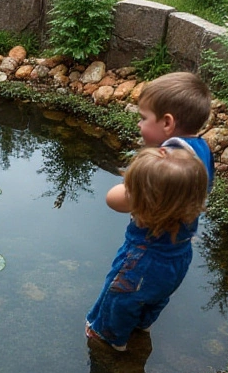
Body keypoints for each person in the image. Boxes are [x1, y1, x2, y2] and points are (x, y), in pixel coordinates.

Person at [85, 145, 210, 351]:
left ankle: (110, 338)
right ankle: (142, 324)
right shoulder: (188, 204)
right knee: (155, 296)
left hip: (140, 263)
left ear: (146, 201)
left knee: (119, 299)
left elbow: (112, 200)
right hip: (178, 261)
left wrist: (133, 190)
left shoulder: (149, 210)